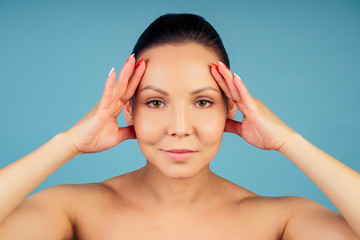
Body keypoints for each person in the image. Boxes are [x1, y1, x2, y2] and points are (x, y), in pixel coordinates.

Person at [0, 13, 359, 239]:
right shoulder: (74, 210)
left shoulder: (279, 220)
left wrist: (287, 140)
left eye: (203, 102)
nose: (180, 127)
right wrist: (68, 143)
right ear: (129, 111)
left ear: (230, 109)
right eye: (156, 102)